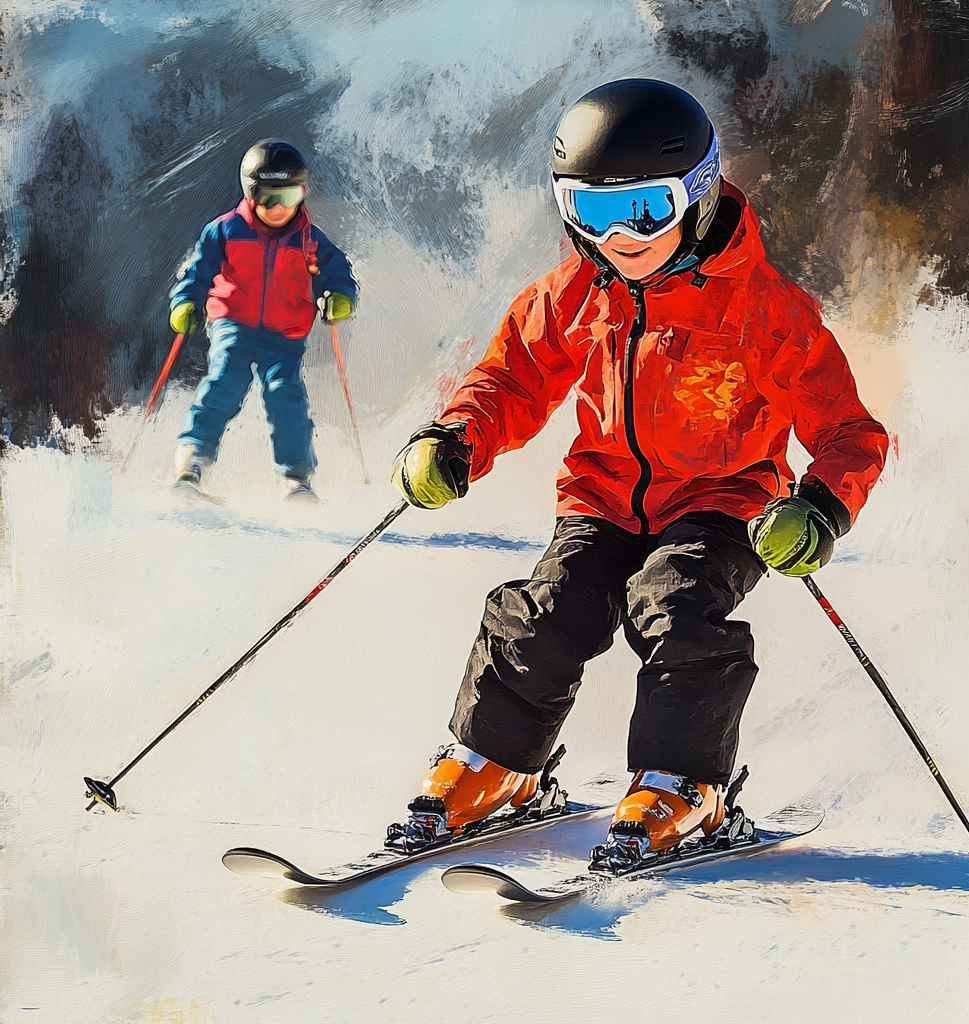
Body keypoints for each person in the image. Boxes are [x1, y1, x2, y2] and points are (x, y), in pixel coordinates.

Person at [390, 79, 888, 865]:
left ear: (697, 194)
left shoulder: (764, 308)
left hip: (724, 505)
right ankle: (495, 765)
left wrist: (820, 507)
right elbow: (513, 379)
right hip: (603, 500)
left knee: (674, 604)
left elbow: (848, 430)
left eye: (647, 209)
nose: (621, 236)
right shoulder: (575, 293)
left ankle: (684, 785)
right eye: (593, 212)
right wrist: (457, 438)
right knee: (546, 611)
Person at [169, 139, 358, 501]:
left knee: (285, 395)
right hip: (234, 322)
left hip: (284, 333)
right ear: (251, 194)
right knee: (225, 380)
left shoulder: (309, 240)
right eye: (270, 198)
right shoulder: (225, 231)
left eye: (289, 197)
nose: (279, 208)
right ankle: (191, 463)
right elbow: (198, 273)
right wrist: (186, 303)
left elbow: (338, 272)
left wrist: (339, 297)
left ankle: (296, 479)